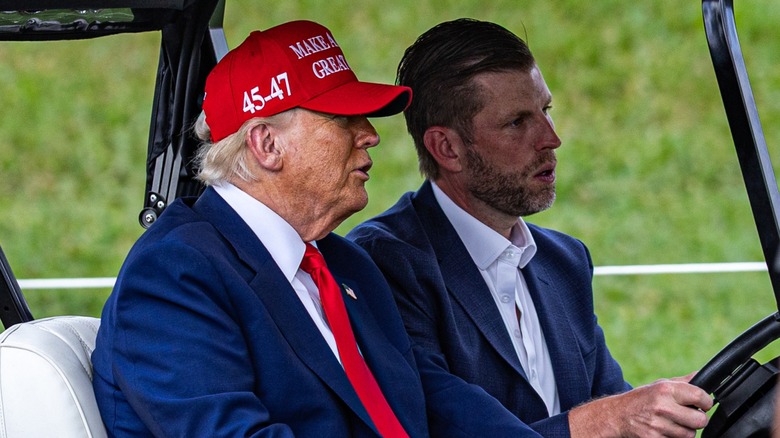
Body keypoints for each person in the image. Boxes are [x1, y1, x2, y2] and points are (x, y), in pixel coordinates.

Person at [348, 18, 714, 437]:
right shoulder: (385, 262)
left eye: (546, 111)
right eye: (517, 122)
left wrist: (661, 409)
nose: (551, 138)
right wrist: (610, 418)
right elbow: (438, 422)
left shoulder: (564, 260)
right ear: (447, 148)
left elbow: (614, 405)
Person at [91, 20, 432, 437]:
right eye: (343, 118)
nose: (370, 135)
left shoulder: (346, 264)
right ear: (267, 145)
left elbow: (433, 400)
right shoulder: (173, 274)